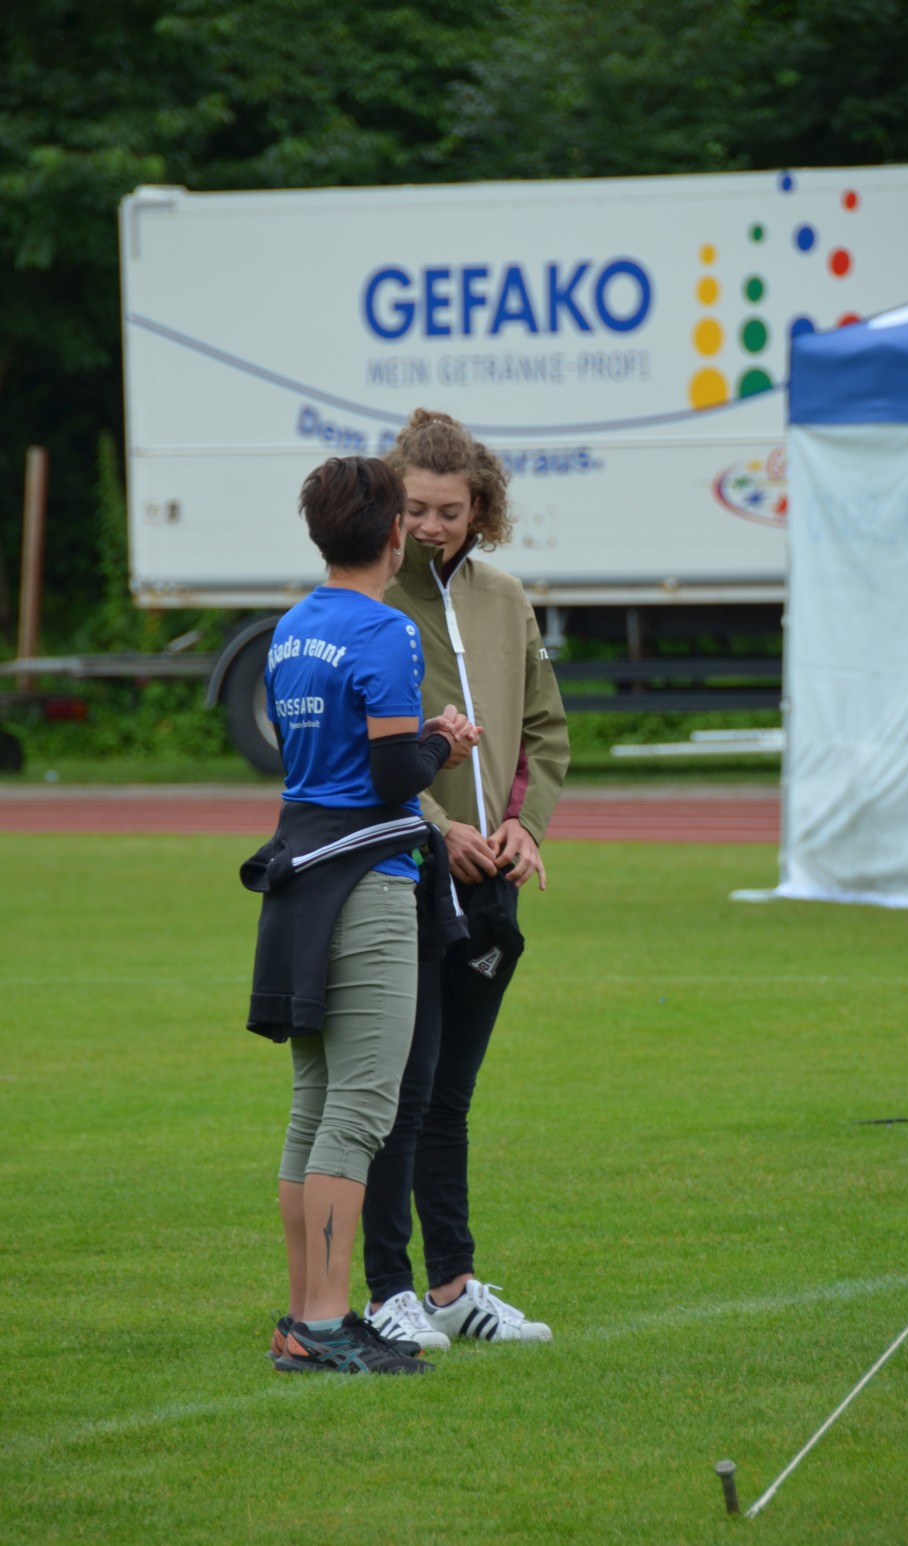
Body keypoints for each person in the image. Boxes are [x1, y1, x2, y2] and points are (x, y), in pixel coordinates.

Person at [240, 455, 479, 1375]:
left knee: (313, 1102)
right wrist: (442, 741)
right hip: (367, 881)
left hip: (299, 877)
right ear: (392, 533)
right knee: (361, 1108)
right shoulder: (385, 630)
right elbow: (390, 775)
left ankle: (306, 1316)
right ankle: (328, 1323)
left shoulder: (292, 627)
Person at [360, 408, 570, 1350]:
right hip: (403, 874)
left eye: (451, 510)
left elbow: (544, 731)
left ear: (481, 509)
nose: (433, 526)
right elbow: (365, 755)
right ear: (390, 508)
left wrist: (523, 825)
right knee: (400, 1095)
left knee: (451, 1096)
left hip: (493, 885)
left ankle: (453, 1286)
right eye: (416, 508)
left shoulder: (506, 598)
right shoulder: (369, 604)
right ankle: (387, 1290)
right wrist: (440, 829)